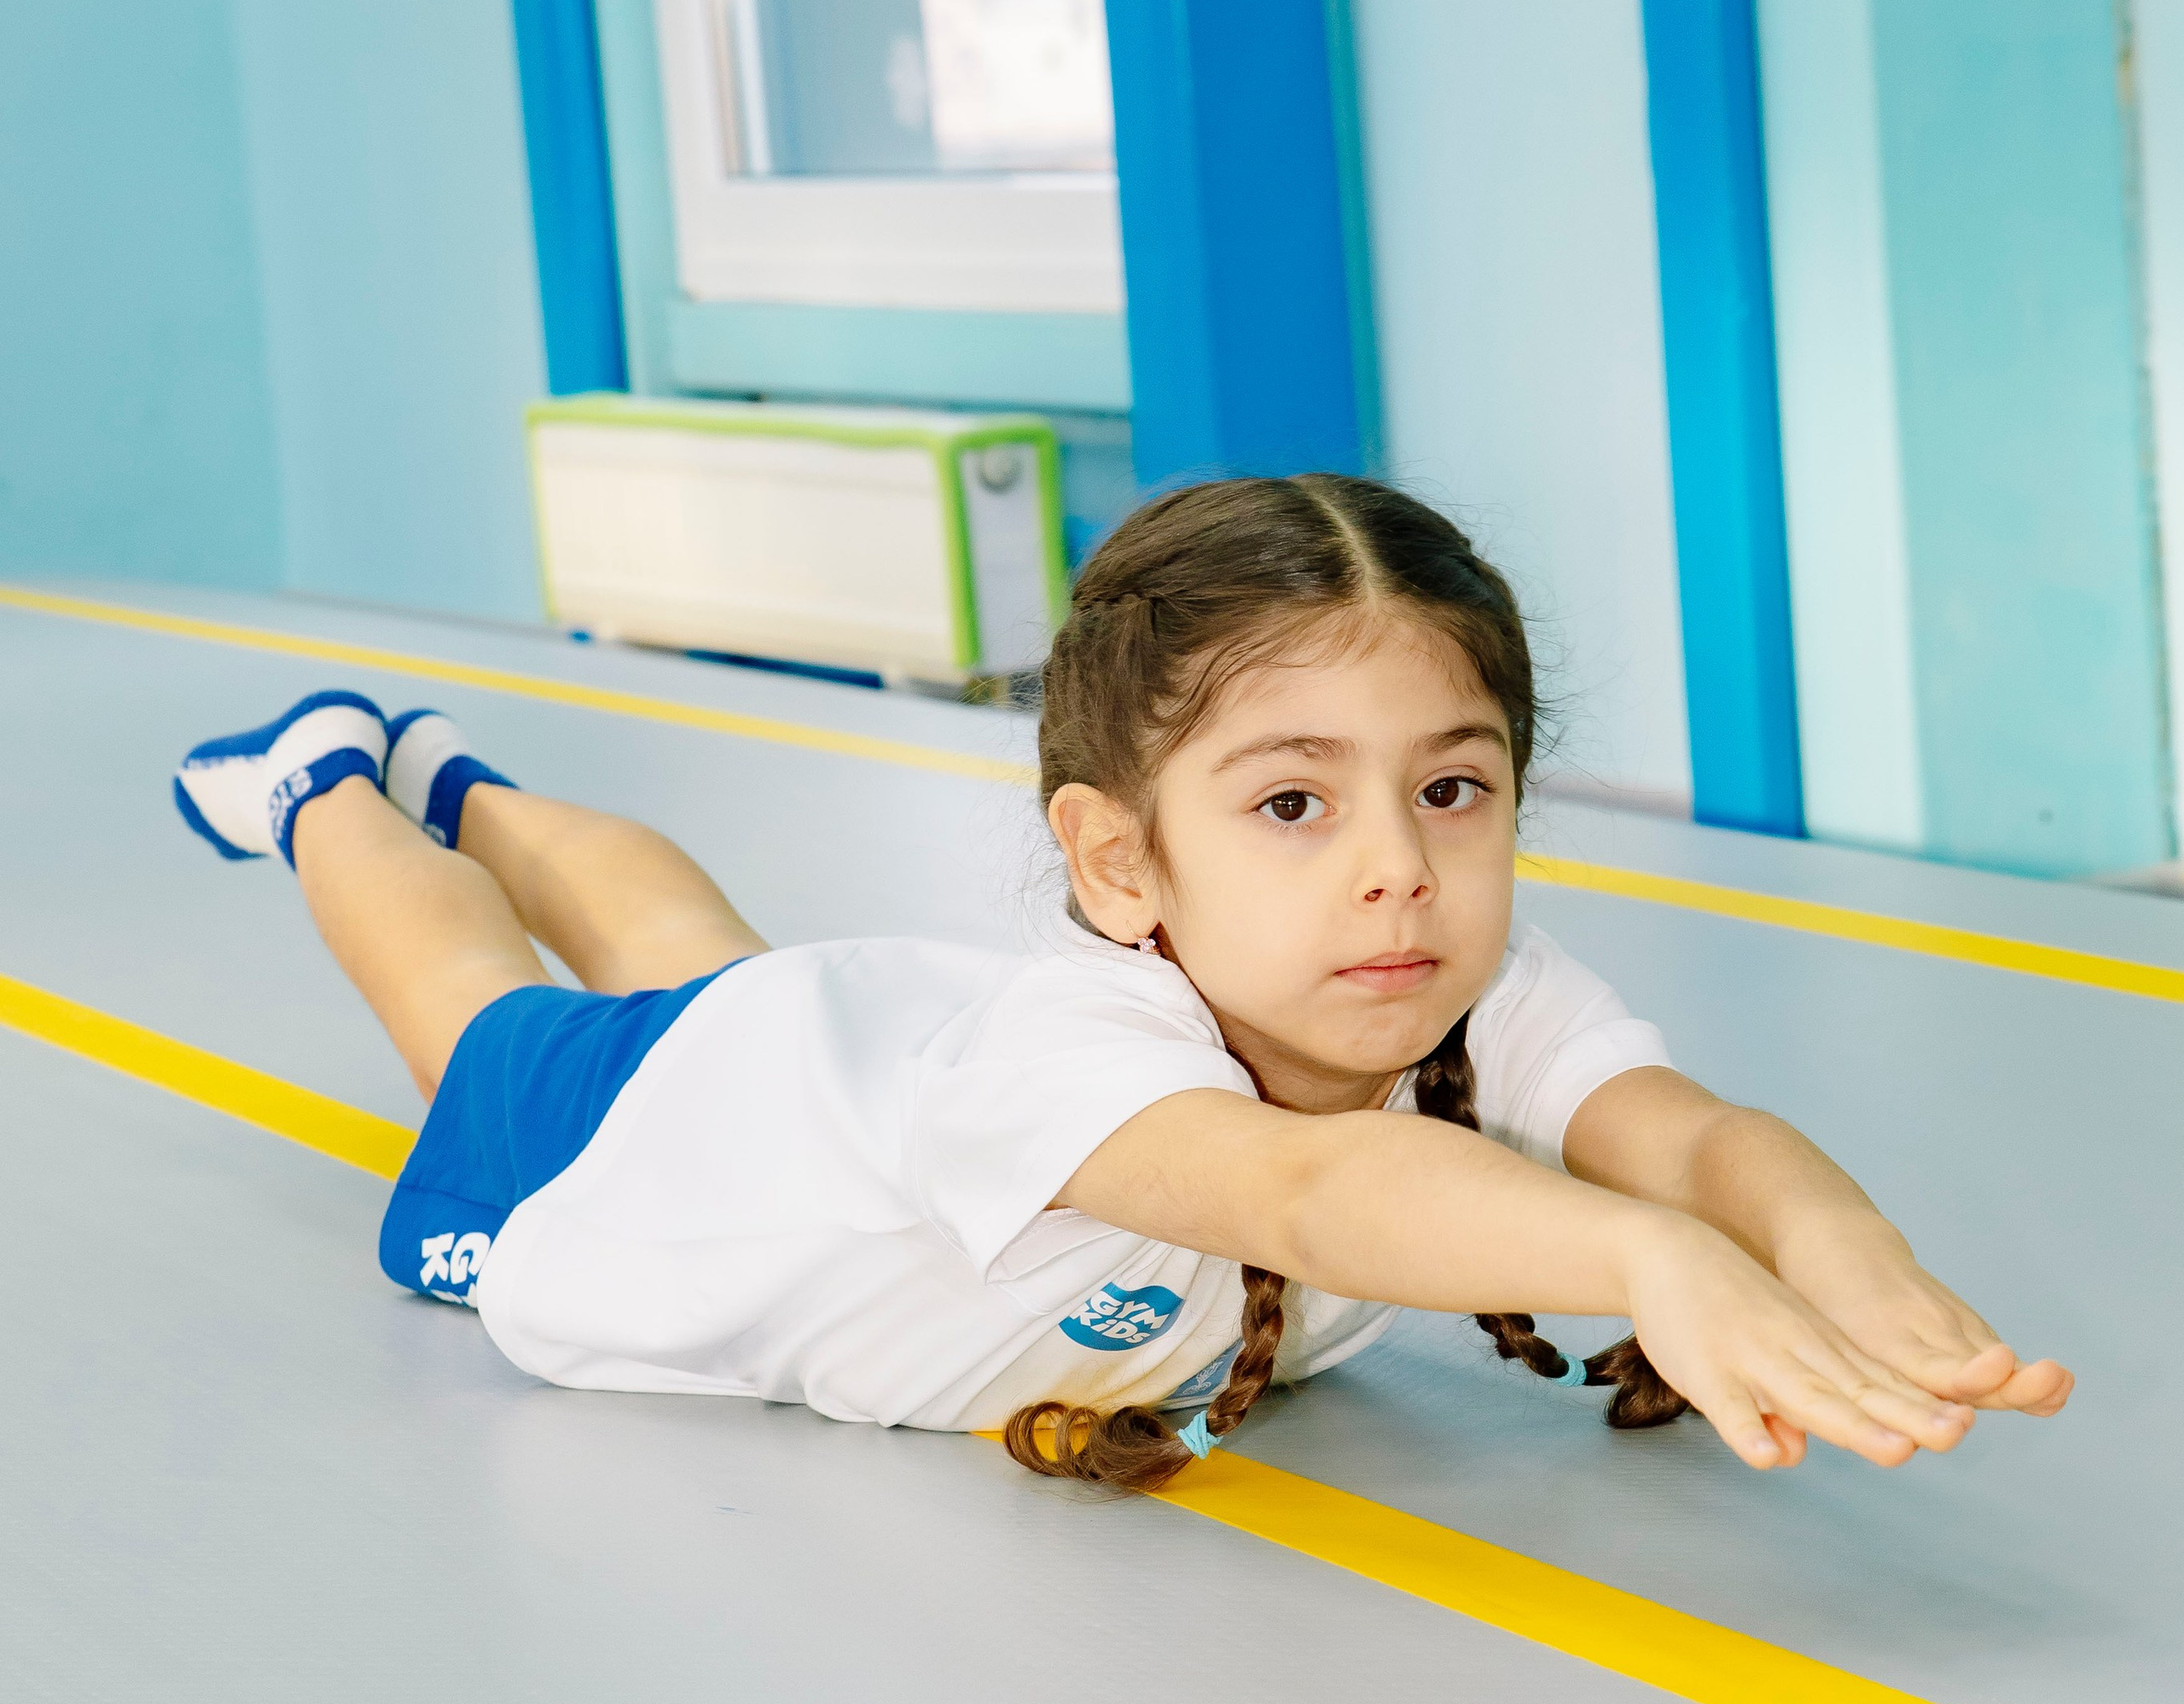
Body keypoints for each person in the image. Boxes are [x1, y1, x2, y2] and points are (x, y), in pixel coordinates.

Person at [171, 475, 2071, 1489]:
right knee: (481, 1011)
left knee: (695, 954)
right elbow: (1316, 1187)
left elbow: (1691, 1135)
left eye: (1451, 787)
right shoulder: (1081, 1064)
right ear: (1117, 861)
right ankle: (334, 780)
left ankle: (468, 779)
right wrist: (1645, 1263)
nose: (1394, 859)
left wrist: (1827, 1246)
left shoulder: (1428, 968)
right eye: (1292, 802)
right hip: (665, 1145)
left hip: (833, 1054)